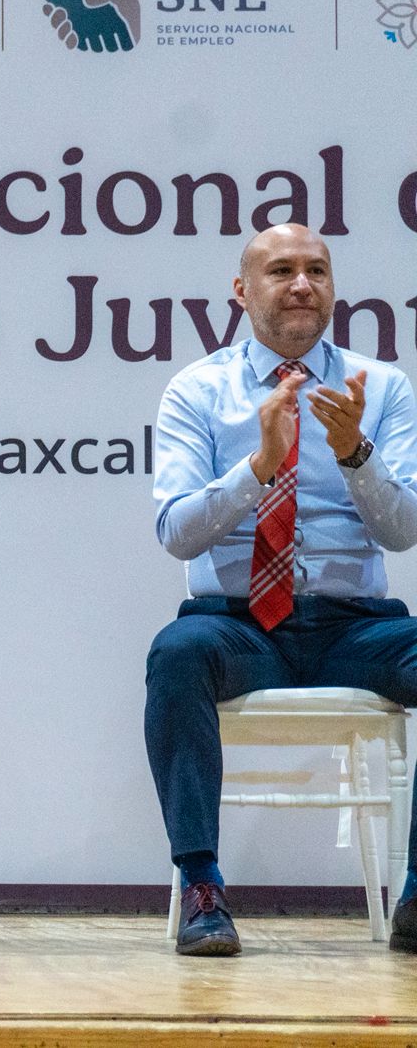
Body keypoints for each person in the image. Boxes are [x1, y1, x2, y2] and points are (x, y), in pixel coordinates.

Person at [146, 224, 417, 956]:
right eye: (282, 270)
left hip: (354, 628)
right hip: (238, 626)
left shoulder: (380, 387)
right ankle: (203, 888)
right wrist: (259, 466)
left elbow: (402, 532)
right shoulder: (198, 390)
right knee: (176, 654)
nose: (302, 284)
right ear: (242, 291)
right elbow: (177, 532)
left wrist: (355, 453)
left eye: (317, 271)